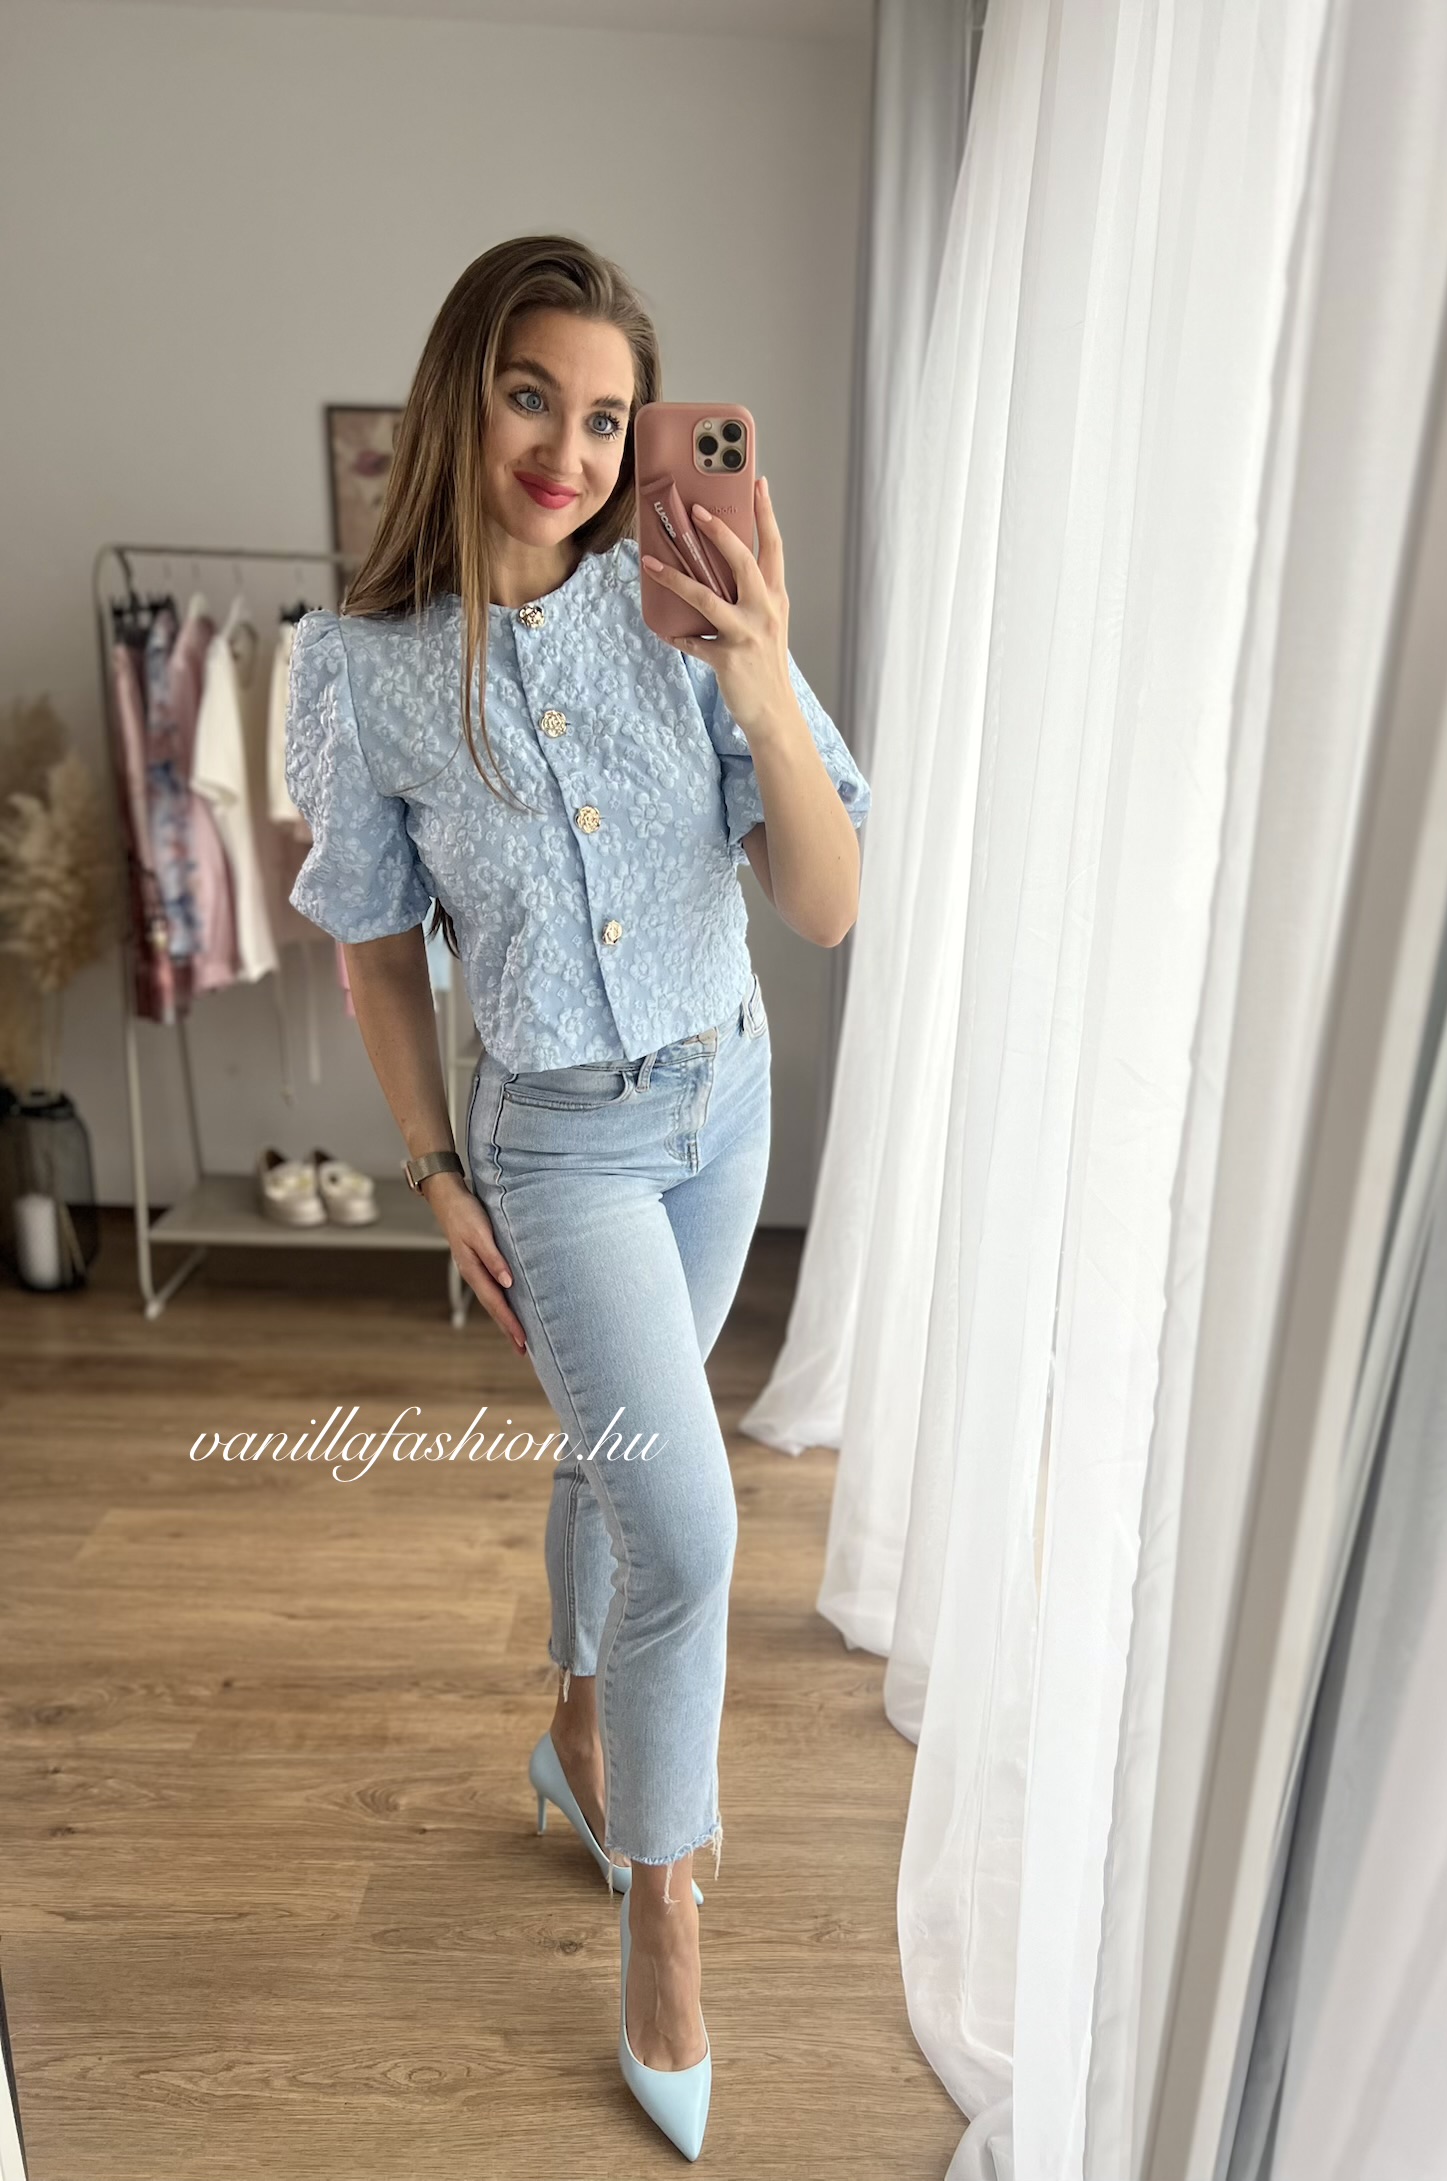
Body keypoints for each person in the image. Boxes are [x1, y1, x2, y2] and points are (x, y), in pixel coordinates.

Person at [281, 234, 871, 2160]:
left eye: (611, 417)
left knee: (621, 1446)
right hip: (558, 1147)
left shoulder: (681, 604)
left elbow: (827, 902)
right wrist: (433, 1167)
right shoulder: (363, 671)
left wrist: (762, 680)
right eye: (534, 396)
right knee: (685, 1523)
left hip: (725, 1099)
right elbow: (377, 949)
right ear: (463, 393)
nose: (572, 450)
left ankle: (579, 1722)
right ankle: (665, 1917)